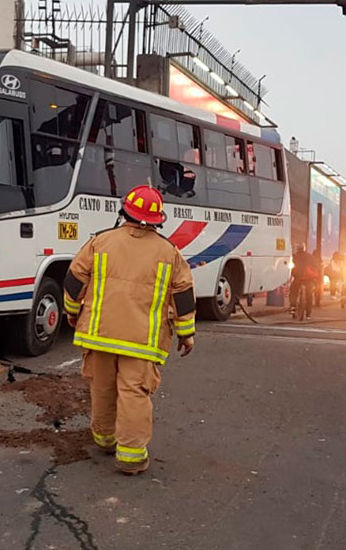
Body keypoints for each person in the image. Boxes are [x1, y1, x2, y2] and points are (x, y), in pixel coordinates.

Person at [63, 185, 197, 475]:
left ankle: (105, 439)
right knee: (134, 394)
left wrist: (72, 313)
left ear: (124, 212)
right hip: (142, 341)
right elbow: (183, 295)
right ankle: (132, 457)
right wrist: (187, 334)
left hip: (99, 335)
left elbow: (74, 280)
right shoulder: (169, 252)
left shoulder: (100, 242)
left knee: (102, 387)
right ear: (157, 219)